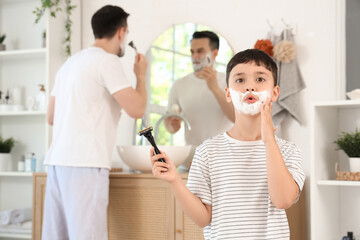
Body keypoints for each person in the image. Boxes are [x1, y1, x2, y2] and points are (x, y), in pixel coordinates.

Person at [150, 49, 305, 239]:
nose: (250, 87)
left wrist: (268, 141)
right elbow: (202, 219)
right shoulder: (207, 151)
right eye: (240, 80)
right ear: (228, 93)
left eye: (260, 79)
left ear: (274, 93)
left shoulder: (288, 151)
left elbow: (282, 200)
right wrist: (174, 180)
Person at [42, 5, 147, 240]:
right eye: (126, 32)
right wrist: (141, 75)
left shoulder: (69, 64)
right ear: (121, 32)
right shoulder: (106, 62)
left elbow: (51, 117)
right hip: (85, 164)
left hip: (57, 163)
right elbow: (137, 109)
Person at [164, 31, 234, 147]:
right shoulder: (179, 85)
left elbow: (237, 118)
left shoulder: (229, 82)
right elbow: (170, 127)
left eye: (200, 51)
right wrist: (172, 125)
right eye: (192, 52)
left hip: (223, 157)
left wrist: (214, 88)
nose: (195, 56)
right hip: (192, 158)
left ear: (214, 53)